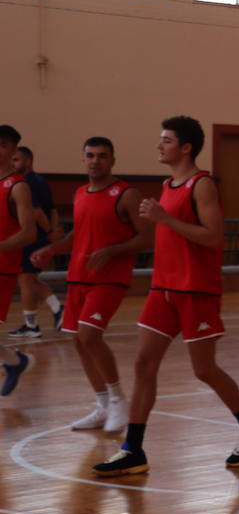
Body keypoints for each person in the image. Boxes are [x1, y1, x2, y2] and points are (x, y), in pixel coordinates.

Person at [93, 117, 239, 476]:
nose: (160, 145)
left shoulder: (202, 185)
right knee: (144, 364)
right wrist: (161, 217)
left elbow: (213, 236)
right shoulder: (168, 184)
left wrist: (164, 218)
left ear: (186, 147)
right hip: (164, 289)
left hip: (196, 290)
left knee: (203, 369)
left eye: (167, 140)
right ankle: (133, 449)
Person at [32, 137, 152, 432]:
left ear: (113, 160)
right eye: (90, 155)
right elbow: (79, 233)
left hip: (109, 278)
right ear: (83, 159)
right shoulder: (80, 193)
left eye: (102, 156)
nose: (95, 161)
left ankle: (118, 400)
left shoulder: (126, 194)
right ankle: (102, 406)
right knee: (78, 340)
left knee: (89, 337)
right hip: (78, 277)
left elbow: (148, 238)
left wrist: (112, 250)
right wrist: (52, 249)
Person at [7, 145, 64, 338]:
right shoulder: (40, 180)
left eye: (16, 160)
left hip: (32, 238)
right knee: (28, 280)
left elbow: (37, 212)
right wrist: (53, 230)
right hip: (38, 237)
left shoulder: (26, 182)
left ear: (28, 161)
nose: (12, 164)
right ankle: (57, 310)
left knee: (25, 280)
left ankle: (32, 326)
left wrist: (49, 231)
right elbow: (53, 210)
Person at [0, 126, 37, 395]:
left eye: (2, 145)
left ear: (13, 151)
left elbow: (28, 233)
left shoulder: (18, 186)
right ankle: (14, 361)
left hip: (3, 267)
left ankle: (15, 362)